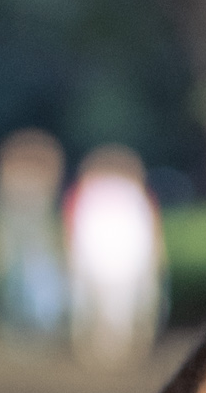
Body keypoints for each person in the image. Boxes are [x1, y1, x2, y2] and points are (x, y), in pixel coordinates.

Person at [61, 145, 160, 365]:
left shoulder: (94, 192)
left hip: (112, 259)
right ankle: (112, 346)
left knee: (106, 305)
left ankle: (107, 346)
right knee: (116, 305)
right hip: (117, 260)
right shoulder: (127, 193)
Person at [0, 129, 67, 339]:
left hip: (35, 246)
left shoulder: (17, 188)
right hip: (21, 245)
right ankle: (23, 328)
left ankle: (39, 327)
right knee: (17, 286)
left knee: (39, 284)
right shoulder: (15, 190)